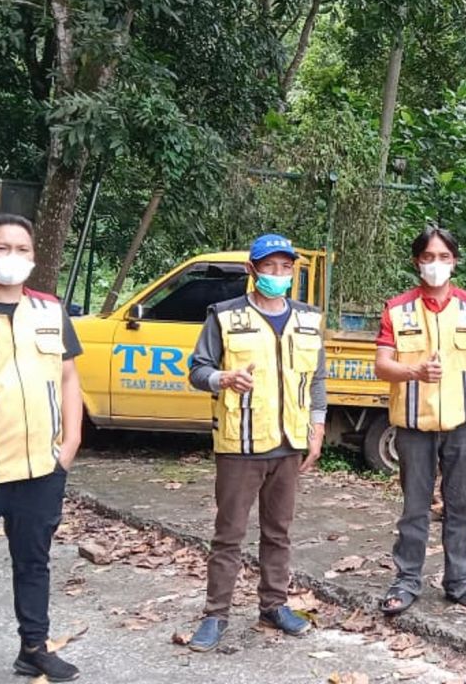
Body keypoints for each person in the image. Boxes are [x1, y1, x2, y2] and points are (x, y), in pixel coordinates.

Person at [0, 214, 83, 681]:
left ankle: (33, 648)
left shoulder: (50, 310)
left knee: (34, 562)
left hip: (40, 469)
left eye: (21, 249)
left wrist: (71, 442)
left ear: (33, 257)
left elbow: (68, 376)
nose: (12, 258)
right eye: (1, 249)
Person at [186, 233, 327, 652]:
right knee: (229, 534)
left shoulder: (307, 319)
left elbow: (316, 379)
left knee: (278, 532)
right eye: (270, 267)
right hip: (240, 444)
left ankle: (274, 604)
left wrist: (316, 428)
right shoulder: (225, 316)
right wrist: (221, 378)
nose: (279, 275)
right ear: (253, 271)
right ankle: (216, 614)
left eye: (286, 268)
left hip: (288, 443)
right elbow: (197, 369)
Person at [375, 226, 466, 616]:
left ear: (455, 261)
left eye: (443, 257)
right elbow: (382, 365)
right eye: (428, 257)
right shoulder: (397, 309)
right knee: (415, 508)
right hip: (414, 425)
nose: (436, 264)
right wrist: (414, 373)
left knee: (462, 507)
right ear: (417, 262)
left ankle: (459, 581)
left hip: (464, 423)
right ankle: (406, 581)